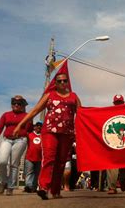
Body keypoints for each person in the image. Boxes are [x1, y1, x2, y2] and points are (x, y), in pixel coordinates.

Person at [13, 72, 81, 200]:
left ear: (68, 82)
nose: (62, 83)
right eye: (59, 81)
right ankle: (43, 187)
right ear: (55, 83)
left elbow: (82, 114)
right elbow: (35, 110)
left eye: (65, 81)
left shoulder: (74, 96)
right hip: (49, 131)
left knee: (61, 162)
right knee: (49, 158)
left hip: (67, 133)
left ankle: (55, 190)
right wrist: (20, 125)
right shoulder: (49, 95)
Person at [0, 95, 32, 196]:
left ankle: (10, 187)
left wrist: (29, 118)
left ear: (22, 105)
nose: (16, 105)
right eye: (14, 103)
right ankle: (3, 182)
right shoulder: (6, 115)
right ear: (11, 104)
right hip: (7, 139)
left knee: (14, 164)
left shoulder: (27, 115)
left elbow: (29, 130)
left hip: (20, 140)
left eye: (19, 103)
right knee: (2, 161)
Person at [107, 94, 125, 194]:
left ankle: (122, 180)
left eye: (120, 102)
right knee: (111, 164)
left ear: (123, 103)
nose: (118, 104)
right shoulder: (109, 113)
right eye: (117, 103)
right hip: (112, 143)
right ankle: (112, 187)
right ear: (113, 104)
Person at [24, 121, 42, 193]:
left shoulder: (43, 135)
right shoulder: (29, 134)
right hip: (29, 157)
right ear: (35, 127)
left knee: (37, 174)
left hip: (40, 158)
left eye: (40, 126)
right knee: (29, 172)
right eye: (37, 125)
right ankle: (28, 186)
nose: (39, 127)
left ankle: (34, 187)